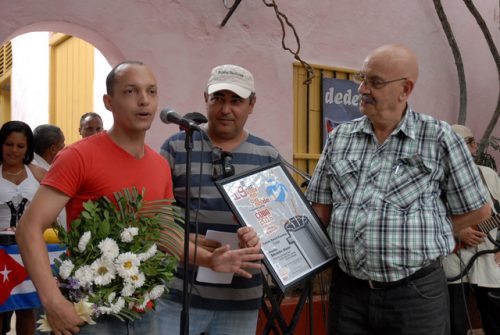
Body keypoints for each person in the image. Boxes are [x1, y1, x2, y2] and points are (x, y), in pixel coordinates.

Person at [15, 61, 262, 335]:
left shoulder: (158, 165)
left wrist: (209, 260)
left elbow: (164, 232)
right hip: (89, 311)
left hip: (144, 312)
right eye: (131, 91)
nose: (144, 101)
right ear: (109, 101)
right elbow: (29, 228)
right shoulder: (78, 156)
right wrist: (52, 301)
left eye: (151, 91)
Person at [305, 44, 492, 335]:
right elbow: (320, 207)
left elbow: (479, 208)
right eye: (362, 79)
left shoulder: (438, 138)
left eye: (375, 82)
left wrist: (437, 229)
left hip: (415, 294)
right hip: (348, 292)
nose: (363, 89)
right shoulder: (340, 137)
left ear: (405, 89)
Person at [158, 64, 280, 335]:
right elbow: (155, 217)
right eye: (218, 99)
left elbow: (278, 224)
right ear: (206, 98)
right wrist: (184, 238)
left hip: (240, 300)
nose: (226, 109)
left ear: (252, 104)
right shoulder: (177, 147)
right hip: (178, 296)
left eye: (236, 100)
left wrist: (261, 235)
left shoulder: (267, 155)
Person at [443, 124, 500, 335]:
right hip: (452, 264)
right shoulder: (437, 179)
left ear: (473, 146)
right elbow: (427, 222)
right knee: (455, 325)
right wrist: (457, 231)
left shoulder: (489, 176)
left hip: (489, 264)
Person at [0, 121, 46, 335]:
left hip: (29, 250)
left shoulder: (38, 173)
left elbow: (54, 209)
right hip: (0, 252)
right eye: (9, 144)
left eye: (20, 146)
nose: (14, 150)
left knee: (27, 308)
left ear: (28, 148)